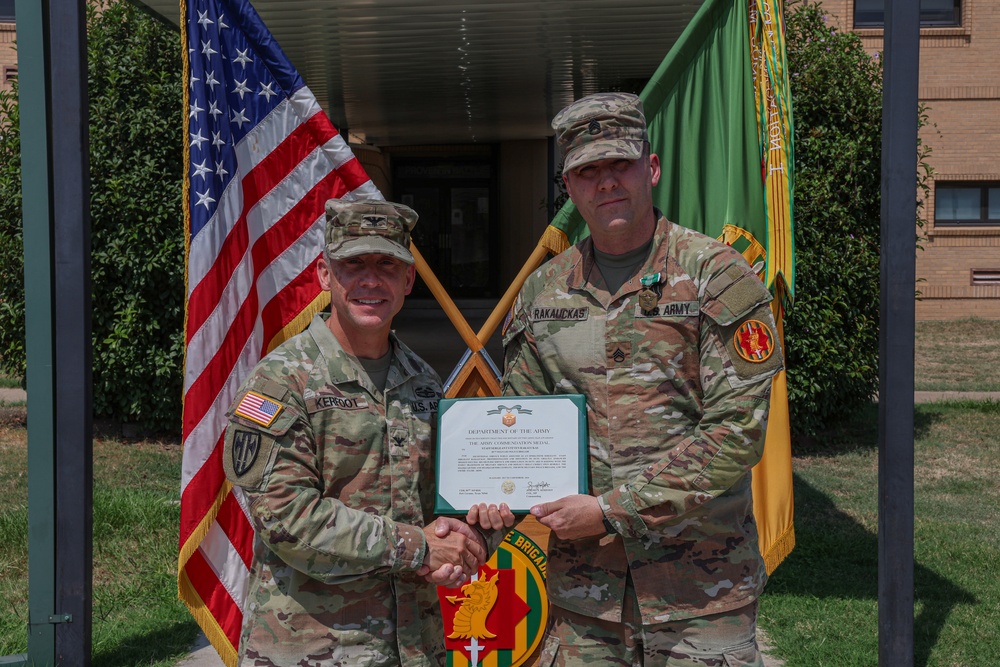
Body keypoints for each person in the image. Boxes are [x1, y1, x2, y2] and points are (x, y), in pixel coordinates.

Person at [501, 92, 784, 666]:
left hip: (701, 596)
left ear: (651, 169)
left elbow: (737, 431)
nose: (605, 183)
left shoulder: (716, 277)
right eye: (587, 171)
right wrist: (484, 505)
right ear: (569, 187)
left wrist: (611, 510)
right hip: (586, 600)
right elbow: (519, 428)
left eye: (619, 164)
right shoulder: (541, 292)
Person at [223, 198, 511, 667]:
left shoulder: (423, 382)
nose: (370, 280)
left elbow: (451, 499)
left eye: (387, 265)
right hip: (313, 647)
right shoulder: (282, 380)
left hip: (414, 645)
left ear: (408, 279)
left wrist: (476, 539)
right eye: (353, 264)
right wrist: (418, 547)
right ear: (324, 275)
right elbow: (284, 517)